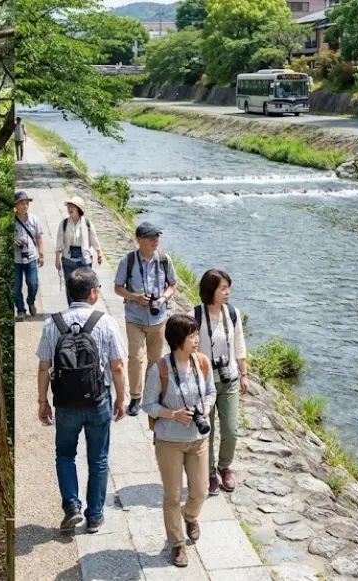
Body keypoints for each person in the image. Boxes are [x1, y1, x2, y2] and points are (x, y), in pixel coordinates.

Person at [36, 268, 127, 534]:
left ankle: (72, 507)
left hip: (65, 402)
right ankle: (95, 515)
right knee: (98, 458)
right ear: (93, 292)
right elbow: (118, 366)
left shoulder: (53, 323)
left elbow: (44, 366)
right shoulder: (105, 321)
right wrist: (121, 398)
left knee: (65, 455)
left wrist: (43, 401)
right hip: (98, 401)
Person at [142, 314, 216, 567]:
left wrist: (205, 407)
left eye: (196, 335)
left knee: (200, 490)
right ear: (177, 341)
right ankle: (177, 544)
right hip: (169, 441)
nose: (196, 340)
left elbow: (211, 392)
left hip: (198, 439)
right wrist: (172, 414)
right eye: (191, 336)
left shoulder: (202, 363)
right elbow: (147, 404)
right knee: (172, 495)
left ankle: (190, 516)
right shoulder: (160, 369)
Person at [190, 269, 247, 496]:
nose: (227, 292)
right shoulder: (196, 315)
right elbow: (187, 348)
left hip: (229, 379)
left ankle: (225, 466)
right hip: (204, 383)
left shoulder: (232, 313)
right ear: (210, 290)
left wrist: (244, 374)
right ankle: (210, 472)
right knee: (208, 431)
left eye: (228, 287)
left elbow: (240, 345)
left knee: (231, 429)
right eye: (222, 288)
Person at [113, 222, 178, 416]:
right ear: (140, 240)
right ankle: (135, 397)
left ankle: (152, 395)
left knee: (155, 360)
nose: (155, 241)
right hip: (134, 318)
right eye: (151, 238)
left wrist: (163, 298)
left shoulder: (165, 259)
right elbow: (117, 288)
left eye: (157, 237)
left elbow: (173, 284)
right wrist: (135, 297)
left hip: (158, 319)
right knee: (135, 358)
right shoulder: (128, 261)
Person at [54, 196, 103, 306]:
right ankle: (72, 306)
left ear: (79, 209)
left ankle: (86, 307)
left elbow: (94, 238)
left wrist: (99, 252)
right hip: (68, 259)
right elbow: (59, 241)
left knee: (86, 285)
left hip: (84, 260)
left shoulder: (87, 223)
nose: (70, 209)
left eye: (73, 207)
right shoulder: (64, 223)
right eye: (69, 207)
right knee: (70, 285)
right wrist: (57, 258)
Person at [13, 191, 45, 321]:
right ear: (16, 206)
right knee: (16, 287)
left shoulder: (34, 219)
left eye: (27, 204)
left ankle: (31, 300)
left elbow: (39, 237)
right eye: (22, 204)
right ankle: (21, 309)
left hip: (31, 256)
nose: (25, 206)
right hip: (16, 259)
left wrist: (41, 254)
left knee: (33, 283)